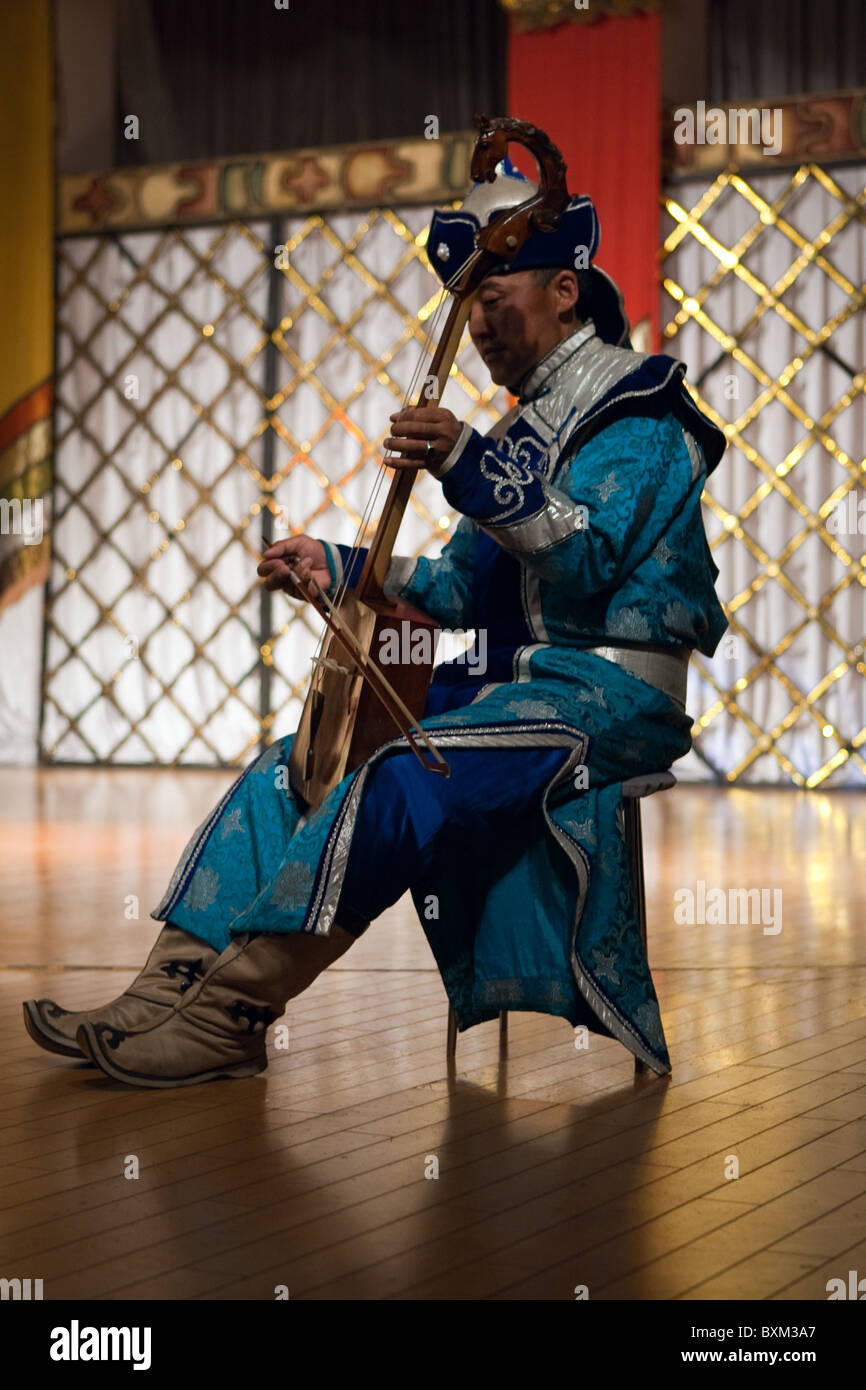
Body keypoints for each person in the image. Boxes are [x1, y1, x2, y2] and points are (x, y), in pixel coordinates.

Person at [23, 169, 727, 1087]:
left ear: (564, 293)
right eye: (466, 302)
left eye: (491, 296)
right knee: (308, 755)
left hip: (612, 696)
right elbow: (458, 587)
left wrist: (468, 461)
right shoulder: (521, 431)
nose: (473, 323)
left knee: (404, 771)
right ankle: (170, 991)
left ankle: (235, 1013)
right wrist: (341, 565)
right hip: (515, 687)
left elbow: (586, 558)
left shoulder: (640, 407)